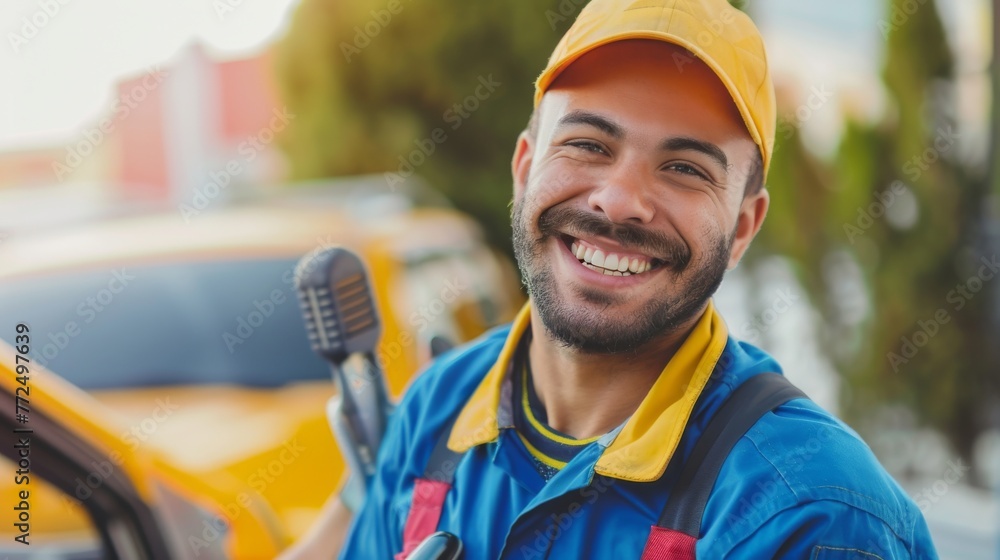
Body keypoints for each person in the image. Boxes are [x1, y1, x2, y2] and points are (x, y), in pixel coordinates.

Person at [285, 0, 940, 557]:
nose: (619, 199)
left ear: (742, 228)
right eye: (589, 144)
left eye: (685, 168)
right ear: (524, 170)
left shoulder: (812, 516)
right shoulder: (436, 412)